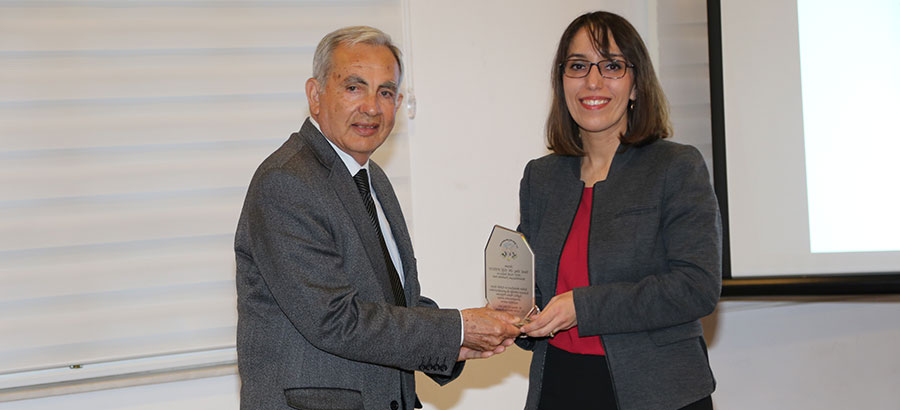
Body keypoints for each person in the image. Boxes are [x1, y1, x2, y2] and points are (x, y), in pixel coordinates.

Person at [234, 26, 520, 410]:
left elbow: (393, 302)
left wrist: (456, 343)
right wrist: (457, 329)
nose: (371, 107)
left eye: (385, 92)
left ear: (398, 103)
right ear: (315, 96)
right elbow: (335, 320)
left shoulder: (372, 178)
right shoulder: (287, 182)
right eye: (354, 87)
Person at [516, 11, 722, 410]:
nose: (593, 82)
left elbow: (696, 286)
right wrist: (513, 314)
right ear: (562, 82)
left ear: (635, 85)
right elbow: (533, 287)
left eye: (611, 66)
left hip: (659, 392)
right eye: (578, 66)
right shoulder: (541, 177)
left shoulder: (676, 167)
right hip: (558, 384)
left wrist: (582, 307)